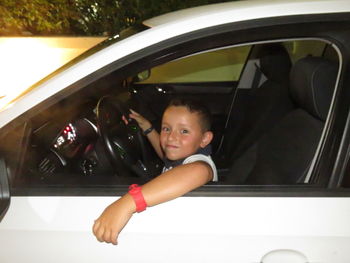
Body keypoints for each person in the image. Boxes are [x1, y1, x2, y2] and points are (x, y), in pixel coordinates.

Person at [92, 98, 218, 245]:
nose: (171, 137)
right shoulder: (183, 153)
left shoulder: (200, 163)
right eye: (166, 128)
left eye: (184, 131)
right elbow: (165, 153)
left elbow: (197, 171)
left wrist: (128, 202)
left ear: (204, 139)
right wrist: (148, 128)